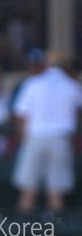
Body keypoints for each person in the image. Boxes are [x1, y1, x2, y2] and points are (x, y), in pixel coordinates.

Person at [12, 50, 82, 214]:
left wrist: (24, 139)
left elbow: (20, 114)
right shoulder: (71, 84)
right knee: (56, 194)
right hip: (60, 140)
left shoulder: (33, 83)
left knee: (28, 192)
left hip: (35, 139)